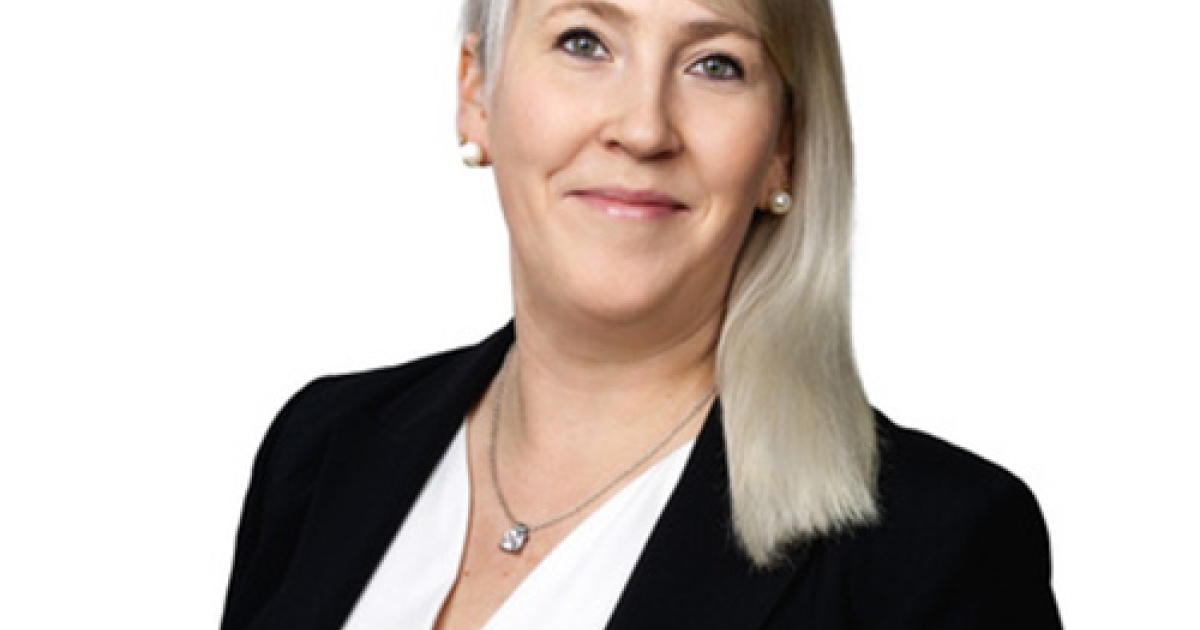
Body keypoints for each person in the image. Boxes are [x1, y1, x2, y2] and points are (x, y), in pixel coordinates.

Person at [219, 0, 1063, 628]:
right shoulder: (320, 448)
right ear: (476, 91)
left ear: (784, 145)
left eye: (716, 64)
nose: (644, 127)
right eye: (584, 41)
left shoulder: (934, 548)